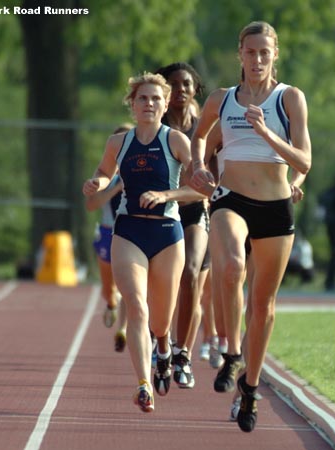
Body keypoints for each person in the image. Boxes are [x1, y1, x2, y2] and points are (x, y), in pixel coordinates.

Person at [190, 20, 311, 432]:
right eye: (250, 52)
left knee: (263, 306)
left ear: (275, 54)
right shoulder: (222, 99)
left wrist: (265, 132)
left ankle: (251, 387)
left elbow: (304, 161)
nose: (257, 59)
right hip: (231, 199)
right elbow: (199, 135)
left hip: (276, 208)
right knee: (229, 270)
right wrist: (198, 166)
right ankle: (231, 352)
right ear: (239, 55)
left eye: (265, 52)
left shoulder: (289, 98)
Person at [82, 72, 203, 413]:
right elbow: (104, 172)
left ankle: (164, 349)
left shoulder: (177, 141)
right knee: (136, 305)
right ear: (132, 105)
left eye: (155, 99)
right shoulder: (118, 143)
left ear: (165, 105)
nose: (148, 104)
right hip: (129, 231)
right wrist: (96, 183)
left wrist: (166, 194)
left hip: (167, 234)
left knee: (161, 322)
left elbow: (201, 188)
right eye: (142, 99)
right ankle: (144, 383)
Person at [155, 62, 209, 389]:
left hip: (195, 212)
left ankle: (183, 353)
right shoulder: (156, 127)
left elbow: (217, 164)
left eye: (187, 84)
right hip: (161, 213)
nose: (181, 89)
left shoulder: (204, 128)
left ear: (195, 88)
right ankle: (162, 350)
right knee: (162, 287)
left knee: (191, 274)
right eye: (173, 84)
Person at [84, 124, 132, 352]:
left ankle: (122, 328)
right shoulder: (106, 175)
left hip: (131, 233)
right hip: (106, 232)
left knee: (128, 284)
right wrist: (115, 188)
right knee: (108, 288)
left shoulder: (141, 171)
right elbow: (91, 205)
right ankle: (111, 303)